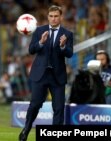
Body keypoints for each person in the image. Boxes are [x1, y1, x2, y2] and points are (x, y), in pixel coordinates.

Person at [18, 5, 73, 141]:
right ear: (48, 17)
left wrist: (62, 46)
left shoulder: (67, 34)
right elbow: (31, 50)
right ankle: (26, 128)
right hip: (40, 74)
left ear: (61, 17)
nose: (53, 19)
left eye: (56, 16)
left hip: (57, 76)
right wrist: (41, 43)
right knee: (35, 105)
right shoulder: (39, 31)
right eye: (51, 16)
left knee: (59, 108)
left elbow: (70, 53)